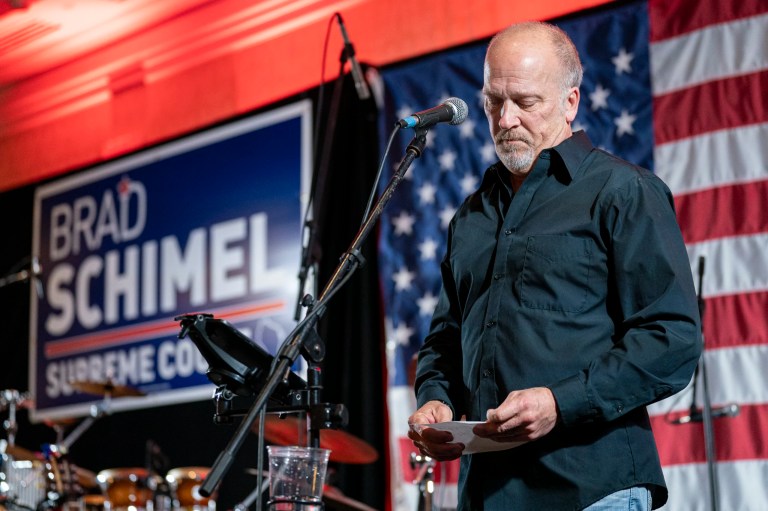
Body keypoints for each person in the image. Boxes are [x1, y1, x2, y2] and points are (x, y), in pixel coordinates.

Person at [407, 21, 702, 510]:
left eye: (525, 103)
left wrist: (559, 404)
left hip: (593, 488)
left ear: (570, 102)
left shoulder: (623, 191)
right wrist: (434, 399)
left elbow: (672, 339)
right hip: (487, 493)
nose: (505, 120)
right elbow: (444, 340)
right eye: (493, 102)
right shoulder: (471, 217)